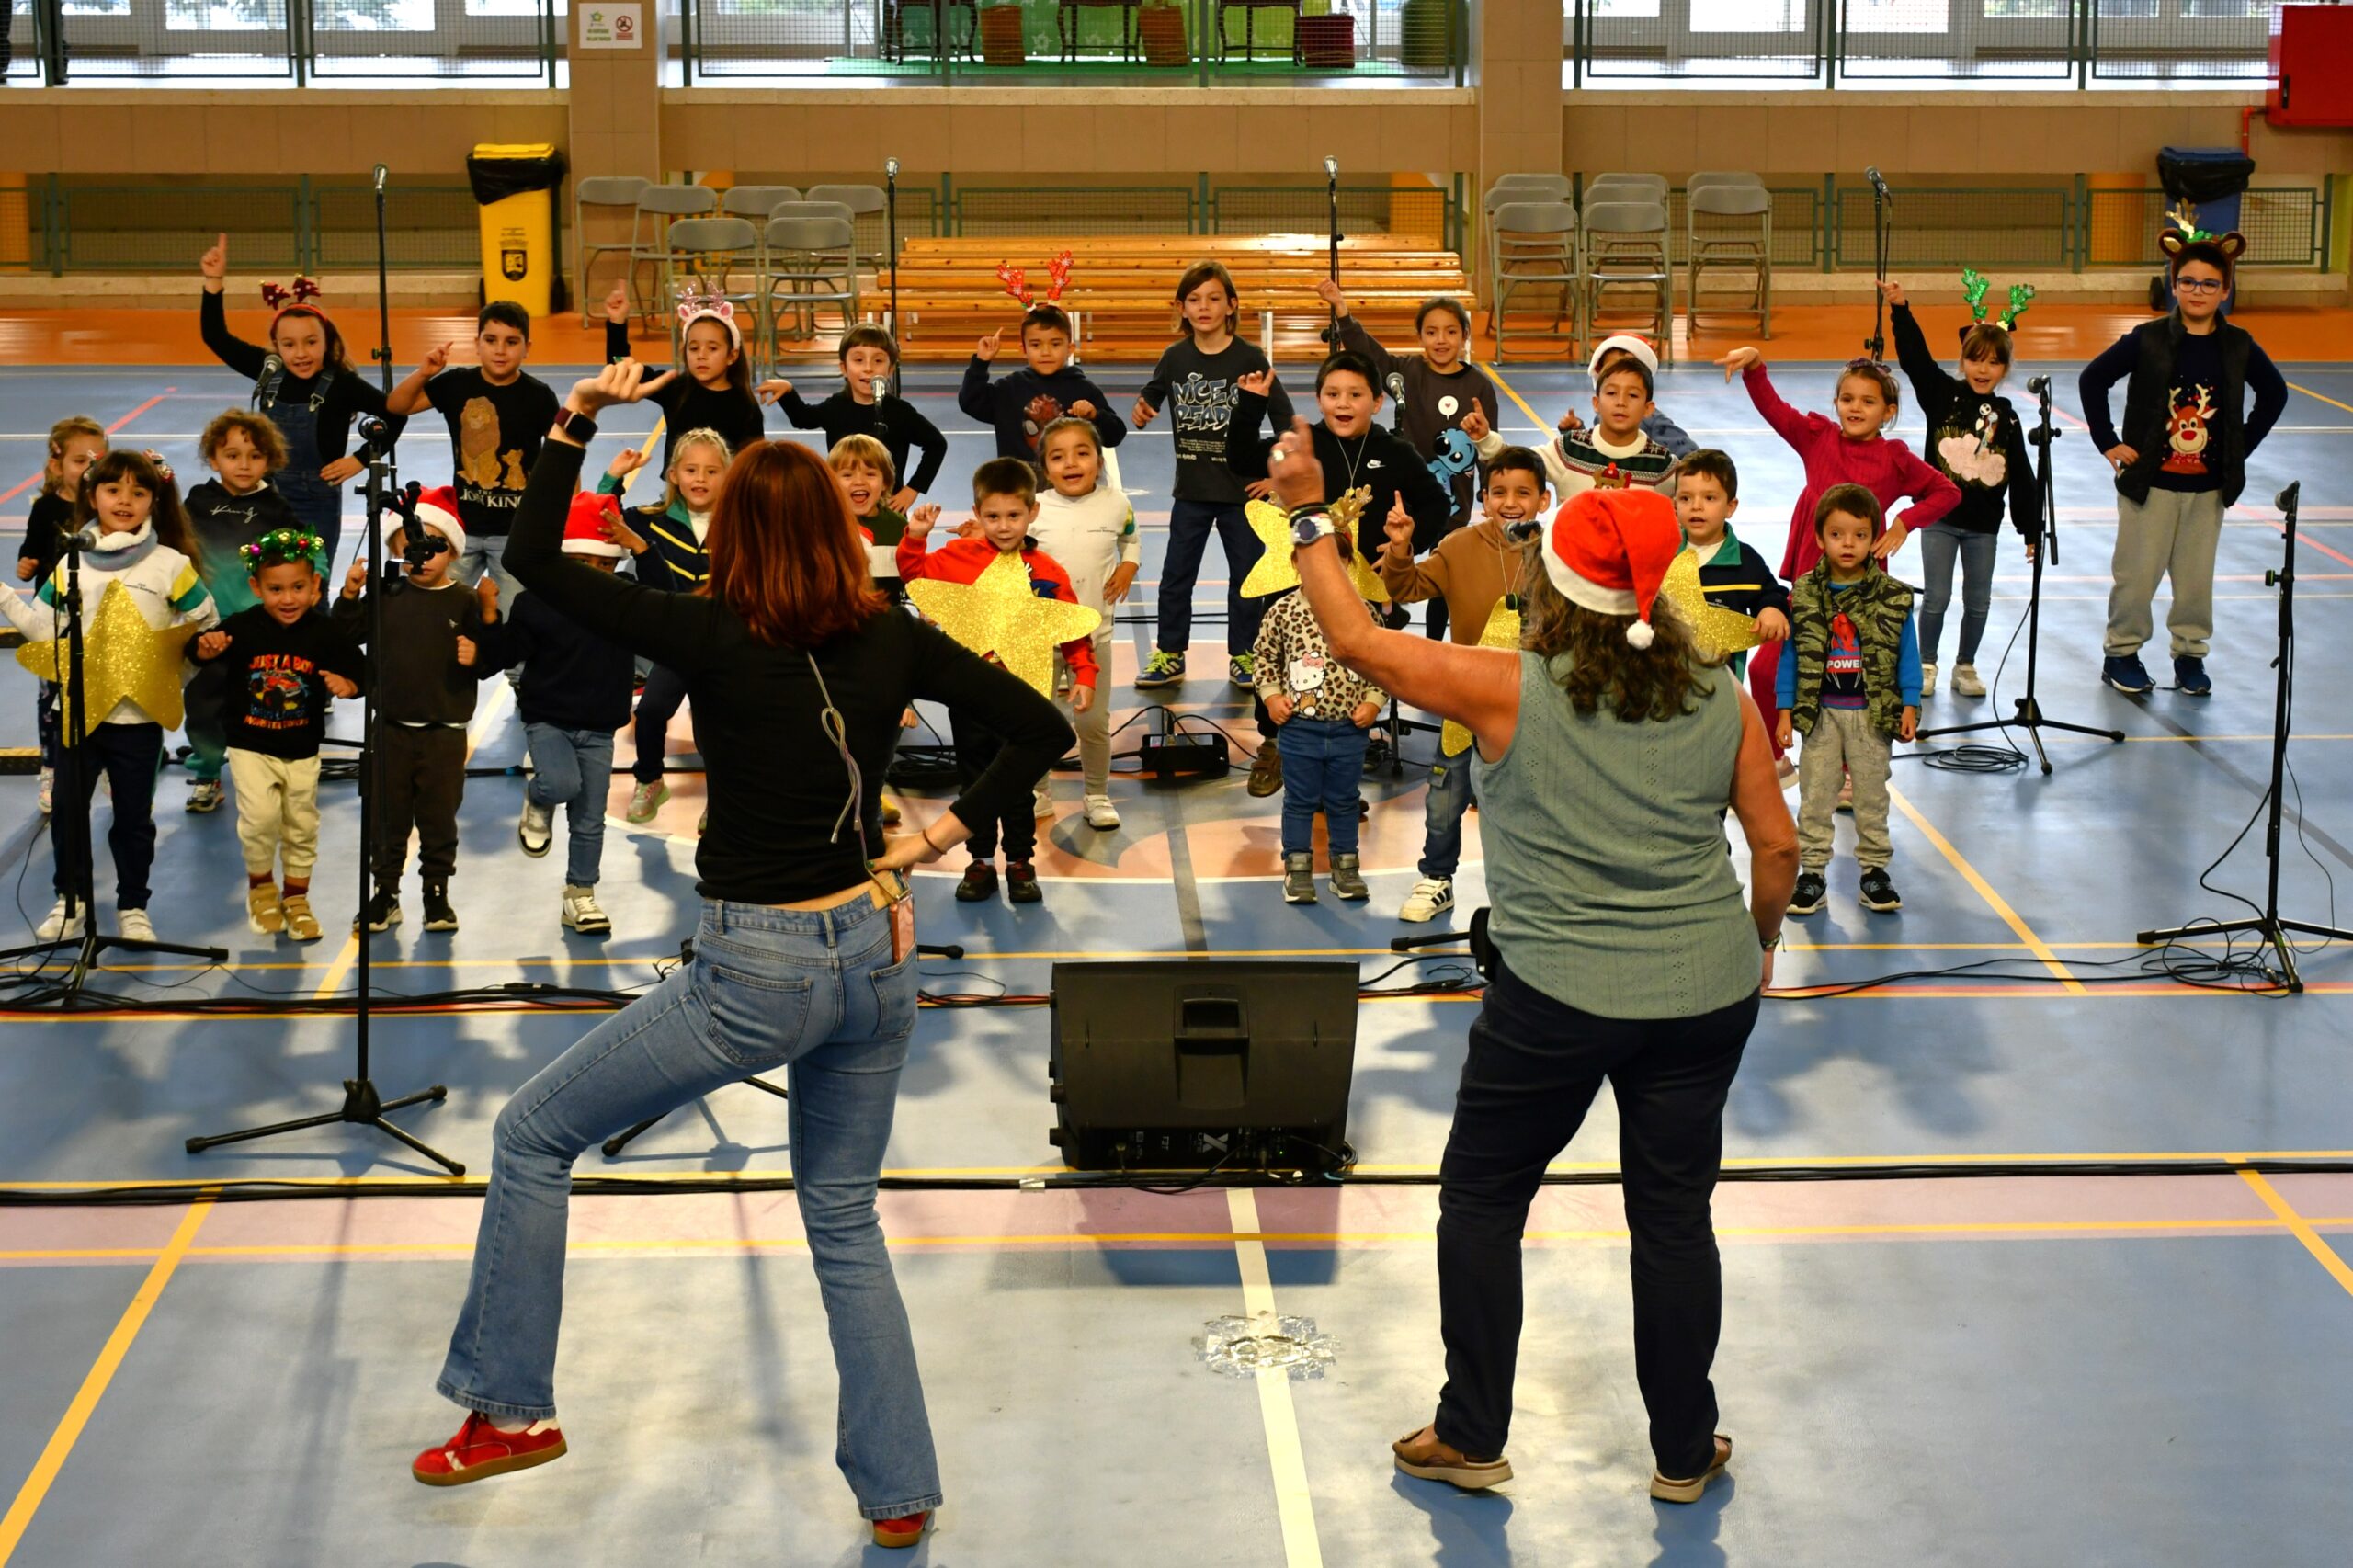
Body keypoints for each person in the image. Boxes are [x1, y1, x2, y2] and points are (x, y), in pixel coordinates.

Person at [414, 360, 1069, 1556]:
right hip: (877, 956)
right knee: (844, 1217)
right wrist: (931, 842)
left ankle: (508, 1410)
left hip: (755, 973)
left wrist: (572, 421)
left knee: (531, 1134)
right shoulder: (888, 632)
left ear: (736, 537)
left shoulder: (708, 629)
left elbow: (539, 561)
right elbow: (1042, 726)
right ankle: (899, 1488)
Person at [1271, 416, 1795, 1506]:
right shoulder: (1724, 693)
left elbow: (1359, 641)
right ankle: (1682, 1449)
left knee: (1482, 1197)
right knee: (1673, 1216)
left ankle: (1473, 1432)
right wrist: (1755, 943)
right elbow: (1776, 847)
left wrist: (1309, 513)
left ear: (1554, 580)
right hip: (1704, 992)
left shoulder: (1509, 685)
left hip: (1553, 998)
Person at [3, 450, 220, 944]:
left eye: (138, 492)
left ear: (154, 501)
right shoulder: (70, 563)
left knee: (133, 819)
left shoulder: (171, 566)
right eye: (113, 490)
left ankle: (133, 905)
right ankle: (71, 900)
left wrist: (175, 675)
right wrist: (5, 598)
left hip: (138, 721)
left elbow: (204, 624)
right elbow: (44, 630)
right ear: (93, 495)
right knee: (68, 811)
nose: (125, 500)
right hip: (78, 714)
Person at [1229, 350, 1454, 797]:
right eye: (1333, 394)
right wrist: (1250, 405)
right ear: (1319, 399)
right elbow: (1241, 458)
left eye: (1355, 394)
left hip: (1365, 591)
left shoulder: (1396, 452)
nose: (1343, 403)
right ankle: (1273, 743)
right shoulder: (1303, 445)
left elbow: (1436, 504)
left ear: (1377, 402)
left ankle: (1344, 758)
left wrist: (1402, 549)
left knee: (1356, 665)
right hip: (1297, 585)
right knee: (1281, 654)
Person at [1717, 344, 1956, 760]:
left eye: (1868, 401)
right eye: (1847, 399)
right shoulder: (1818, 439)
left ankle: (1849, 769)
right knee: (1764, 668)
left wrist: (1905, 521)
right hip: (1810, 591)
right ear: (1836, 403)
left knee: (1850, 682)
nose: (1855, 408)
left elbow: (1946, 491)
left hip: (1862, 597)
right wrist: (1755, 367)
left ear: (1888, 411)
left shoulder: (1894, 459)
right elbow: (1775, 410)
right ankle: (1774, 760)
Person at [2078, 230, 2287, 698]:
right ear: (2173, 285)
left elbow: (2274, 394)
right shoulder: (2148, 339)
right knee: (2136, 576)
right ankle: (2122, 653)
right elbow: (2093, 379)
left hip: (2207, 490)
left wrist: (2238, 448)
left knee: (2195, 583)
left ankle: (2190, 656)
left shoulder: (2238, 345)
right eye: (2188, 282)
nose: (2197, 291)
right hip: (2149, 485)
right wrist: (2108, 442)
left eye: (2209, 284)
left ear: (2225, 291)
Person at [897, 457, 1097, 907]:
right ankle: (981, 861)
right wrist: (915, 537)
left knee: (1019, 784)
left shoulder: (1048, 572)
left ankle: (1020, 862)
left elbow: (1072, 630)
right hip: (969, 696)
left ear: (1032, 512)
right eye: (992, 517)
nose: (1003, 527)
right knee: (974, 780)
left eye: (1013, 515)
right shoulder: (956, 557)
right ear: (976, 512)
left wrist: (1084, 674)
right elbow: (914, 576)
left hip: (1024, 700)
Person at [1376, 447, 1551, 924]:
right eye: (1498, 492)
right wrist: (1400, 549)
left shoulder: (1558, 554)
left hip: (1533, 704)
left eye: (1523, 493)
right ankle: (1437, 877)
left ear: (1544, 500)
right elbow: (1405, 588)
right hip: (1466, 699)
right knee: (1445, 792)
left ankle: (1531, 887)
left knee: (1532, 798)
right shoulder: (1458, 546)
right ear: (1484, 499)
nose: (1510, 502)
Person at [331, 486, 503, 935]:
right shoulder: (386, 593)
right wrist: (349, 595)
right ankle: (386, 892)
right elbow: (345, 634)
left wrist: (484, 632)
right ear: (395, 550)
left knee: (438, 817)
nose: (423, 557)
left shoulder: (465, 600)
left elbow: (492, 658)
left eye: (435, 547)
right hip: (390, 729)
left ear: (454, 552)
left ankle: (436, 893)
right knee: (386, 816)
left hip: (445, 732)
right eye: (410, 547)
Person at [190, 526, 362, 943]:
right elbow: (199, 647)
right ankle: (262, 888)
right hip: (250, 745)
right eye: (275, 589)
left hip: (301, 749)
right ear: (256, 588)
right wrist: (204, 646)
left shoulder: (324, 632)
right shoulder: (244, 627)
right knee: (261, 819)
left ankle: (297, 899)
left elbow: (361, 671)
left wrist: (350, 685)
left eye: (298, 587)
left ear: (315, 585)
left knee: (301, 824)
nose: (288, 599)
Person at [1132, 260, 1295, 693]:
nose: (1203, 307)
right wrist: (1143, 408)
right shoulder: (1174, 357)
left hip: (1242, 495)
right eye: (1194, 299)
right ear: (1181, 308)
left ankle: (1244, 654)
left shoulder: (1250, 358)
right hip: (1191, 492)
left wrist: (1277, 478)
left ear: (1231, 305)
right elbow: (1152, 394)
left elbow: (1286, 423)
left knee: (1246, 577)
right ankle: (1170, 653)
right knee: (1175, 576)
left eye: (1213, 298)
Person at [1881, 279, 2041, 699]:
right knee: (1936, 596)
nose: (1983, 370)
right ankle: (1926, 663)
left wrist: (2031, 529)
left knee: (1978, 600)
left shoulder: (2008, 419)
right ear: (1962, 361)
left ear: (2005, 368)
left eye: (1993, 363)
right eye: (1975, 360)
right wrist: (1901, 309)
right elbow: (1915, 359)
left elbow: (2022, 476)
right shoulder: (1942, 396)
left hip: (1983, 527)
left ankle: (1965, 665)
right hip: (1939, 518)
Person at [199, 233, 404, 562]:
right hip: (264, 495)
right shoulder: (268, 369)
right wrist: (213, 281)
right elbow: (215, 336)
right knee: (264, 573)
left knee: (312, 576)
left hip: (317, 501)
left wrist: (360, 459)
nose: (301, 353)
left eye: (311, 342)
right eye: (289, 345)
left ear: (327, 341)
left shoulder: (342, 383)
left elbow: (396, 413)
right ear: (276, 346)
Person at [487, 494, 640, 936]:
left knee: (590, 821)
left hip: (600, 727)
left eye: (607, 564)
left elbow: (667, 596)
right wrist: (487, 620)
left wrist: (642, 549)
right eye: (585, 563)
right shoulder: (537, 602)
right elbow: (509, 650)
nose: (596, 573)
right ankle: (538, 799)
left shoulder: (626, 601)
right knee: (560, 784)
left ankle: (580, 894)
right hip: (549, 720)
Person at [1319, 281, 1497, 639]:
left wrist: (1488, 493)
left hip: (1454, 503)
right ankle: (1384, 619)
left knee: (1445, 574)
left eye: (1450, 331)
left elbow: (1487, 445)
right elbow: (1370, 354)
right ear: (1420, 337)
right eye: (1431, 332)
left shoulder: (1478, 385)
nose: (1441, 340)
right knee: (1393, 562)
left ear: (1465, 336)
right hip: (1411, 497)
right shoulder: (1407, 374)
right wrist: (1342, 311)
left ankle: (1435, 646)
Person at [1776, 484, 1922, 916]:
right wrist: (1784, 710)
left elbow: (1907, 655)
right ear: (1819, 538)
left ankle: (1874, 871)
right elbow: (1791, 656)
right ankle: (1812, 873)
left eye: (1860, 535)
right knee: (1816, 795)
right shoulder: (1804, 594)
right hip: (1821, 715)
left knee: (1872, 797)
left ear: (1874, 537)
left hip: (1871, 716)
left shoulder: (1892, 597)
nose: (1848, 544)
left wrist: (1909, 704)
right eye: (1837, 534)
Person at [384, 301, 562, 608]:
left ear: (527, 347)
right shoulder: (456, 384)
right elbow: (397, 406)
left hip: (516, 534)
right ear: (477, 343)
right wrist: (424, 373)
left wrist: (564, 517)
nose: (500, 350)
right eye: (491, 340)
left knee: (513, 614)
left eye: (511, 342)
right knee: (437, 606)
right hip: (461, 529)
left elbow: (560, 459)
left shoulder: (539, 396)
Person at [597, 427, 730, 825]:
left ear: (727, 476)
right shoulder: (650, 521)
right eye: (691, 470)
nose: (700, 479)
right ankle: (650, 779)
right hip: (674, 644)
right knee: (652, 711)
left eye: (712, 471)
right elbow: (603, 517)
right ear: (673, 475)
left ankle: (720, 797)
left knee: (715, 726)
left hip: (722, 645)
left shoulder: (741, 522)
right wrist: (613, 477)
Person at [181, 409, 301, 814]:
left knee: (265, 701)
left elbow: (301, 557)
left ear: (270, 460)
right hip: (206, 628)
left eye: (255, 456)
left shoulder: (277, 508)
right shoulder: (198, 502)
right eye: (232, 455)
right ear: (214, 459)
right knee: (204, 705)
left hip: (258, 630)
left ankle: (268, 773)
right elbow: (173, 545)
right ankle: (207, 773)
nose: (244, 465)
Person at [1256, 540, 1387, 905]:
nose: (1323, 569)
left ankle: (1346, 867)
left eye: (1333, 560)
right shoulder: (1283, 611)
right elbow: (1264, 658)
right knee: (1299, 800)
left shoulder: (1363, 612)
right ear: (1296, 563)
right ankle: (1297, 869)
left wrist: (1373, 702)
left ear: (1348, 564)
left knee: (1345, 801)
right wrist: (1272, 697)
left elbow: (1381, 662)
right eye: (1311, 561)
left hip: (1350, 730)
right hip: (1299, 729)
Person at [1028, 415, 1138, 832]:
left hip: (1094, 638)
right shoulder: (1035, 510)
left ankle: (1097, 794)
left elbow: (1131, 538)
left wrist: (1128, 566)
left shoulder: (1117, 504)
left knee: (1092, 723)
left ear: (1099, 460)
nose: (1071, 463)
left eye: (1082, 453)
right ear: (1045, 467)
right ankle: (1037, 792)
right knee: (1038, 720)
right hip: (1040, 639)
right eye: (1058, 457)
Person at [17, 415, 107, 817]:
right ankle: (51, 768)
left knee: (102, 694)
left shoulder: (106, 505)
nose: (88, 469)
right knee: (52, 698)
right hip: (53, 620)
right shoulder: (46, 509)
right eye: (79, 460)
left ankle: (106, 766)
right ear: (57, 465)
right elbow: (31, 549)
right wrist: (26, 564)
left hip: (98, 619)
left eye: (96, 461)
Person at [769, 324, 947, 508]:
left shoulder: (899, 412)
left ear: (890, 369)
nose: (868, 368)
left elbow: (936, 444)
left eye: (878, 361)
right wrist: (788, 393)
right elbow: (803, 418)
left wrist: (913, 489)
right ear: (844, 368)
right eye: (859, 360)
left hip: (887, 509)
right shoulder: (836, 407)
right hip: (844, 507)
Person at [602, 284, 767, 468]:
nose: (701, 355)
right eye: (694, 348)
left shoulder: (746, 406)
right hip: (676, 486)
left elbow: (754, 466)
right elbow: (622, 369)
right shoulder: (674, 388)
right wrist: (617, 322)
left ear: (732, 356)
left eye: (712, 348)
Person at [1485, 347, 1678, 502]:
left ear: (1648, 408)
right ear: (1596, 403)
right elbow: (1518, 462)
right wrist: (1484, 440)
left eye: (1633, 395)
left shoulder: (1661, 465)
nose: (1621, 402)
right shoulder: (1569, 449)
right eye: (1611, 393)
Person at [1672, 450, 1790, 683]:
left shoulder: (1745, 560)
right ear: (1674, 504)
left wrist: (1771, 609)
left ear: (1730, 506)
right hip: (1666, 678)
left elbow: (1772, 593)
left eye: (1709, 498)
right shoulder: (1662, 554)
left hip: (1722, 684)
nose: (1696, 506)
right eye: (1686, 498)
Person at [958, 303, 1126, 462]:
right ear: (1024, 349)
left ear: (1070, 349)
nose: (1046, 352)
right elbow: (970, 402)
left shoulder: (1083, 389)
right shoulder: (1009, 389)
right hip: (1019, 480)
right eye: (1036, 345)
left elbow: (1115, 435)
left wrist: (1095, 416)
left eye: (1055, 344)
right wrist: (980, 362)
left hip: (1065, 480)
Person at [1555, 335, 1698, 460]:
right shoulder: (1604, 416)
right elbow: (1596, 453)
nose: (1621, 402)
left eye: (1629, 367)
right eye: (1612, 369)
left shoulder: (1654, 421)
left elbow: (1690, 458)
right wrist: (1576, 432)